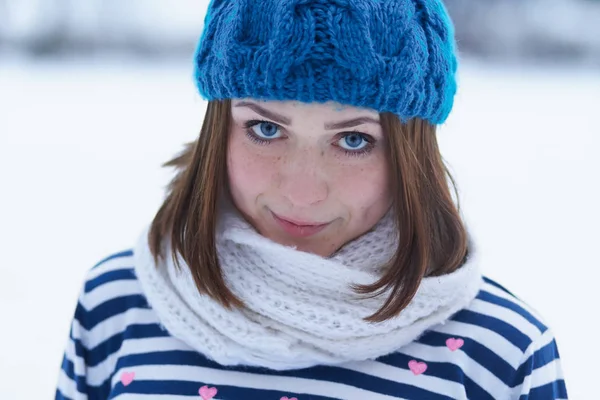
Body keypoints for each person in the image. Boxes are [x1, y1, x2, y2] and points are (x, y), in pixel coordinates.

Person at [55, 0, 568, 399]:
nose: (302, 191)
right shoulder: (118, 305)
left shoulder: (499, 352)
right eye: (265, 128)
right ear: (219, 132)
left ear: (413, 156)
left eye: (353, 140)